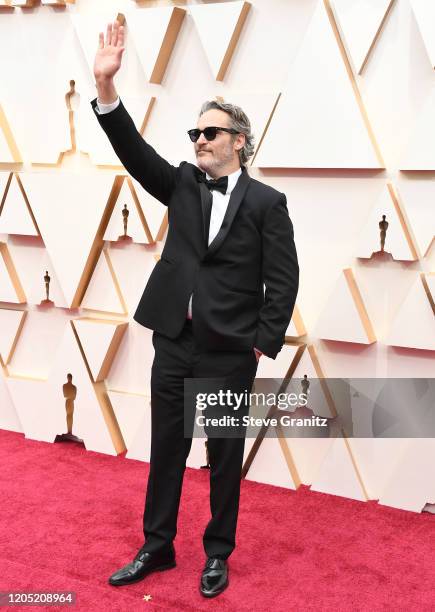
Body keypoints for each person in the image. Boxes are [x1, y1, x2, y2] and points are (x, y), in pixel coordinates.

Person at [91, 21, 299, 598]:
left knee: (224, 456)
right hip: (173, 342)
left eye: (211, 132)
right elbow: (134, 153)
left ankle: (217, 553)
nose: (200, 140)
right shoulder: (181, 183)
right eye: (195, 132)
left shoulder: (266, 202)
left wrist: (261, 339)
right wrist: (108, 92)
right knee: (166, 450)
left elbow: (283, 279)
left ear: (239, 141)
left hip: (230, 351)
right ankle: (157, 546)